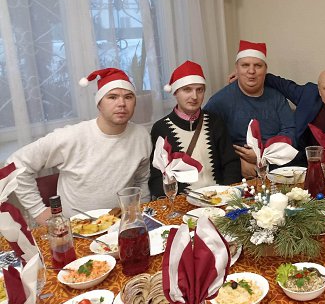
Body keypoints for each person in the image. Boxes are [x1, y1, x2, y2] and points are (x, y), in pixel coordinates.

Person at [9, 68, 151, 224]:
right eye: (112, 97)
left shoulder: (141, 136)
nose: (122, 103)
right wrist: (38, 211)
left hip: (123, 222)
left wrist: (142, 212)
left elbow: (142, 180)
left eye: (128, 97)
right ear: (99, 104)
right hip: (77, 227)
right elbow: (16, 163)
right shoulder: (70, 137)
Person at [148, 61, 241, 197]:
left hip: (219, 197)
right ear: (175, 92)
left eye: (199, 90)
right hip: (183, 201)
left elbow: (231, 164)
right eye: (187, 90)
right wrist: (179, 200)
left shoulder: (215, 122)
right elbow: (157, 178)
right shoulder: (161, 128)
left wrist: (227, 195)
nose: (194, 96)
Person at [204, 40, 295, 178]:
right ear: (237, 69)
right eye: (245, 65)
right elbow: (206, 140)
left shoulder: (277, 98)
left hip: (277, 168)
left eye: (258, 66)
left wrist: (263, 155)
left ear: (265, 70)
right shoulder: (219, 102)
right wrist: (236, 163)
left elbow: (291, 133)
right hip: (237, 173)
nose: (251, 71)